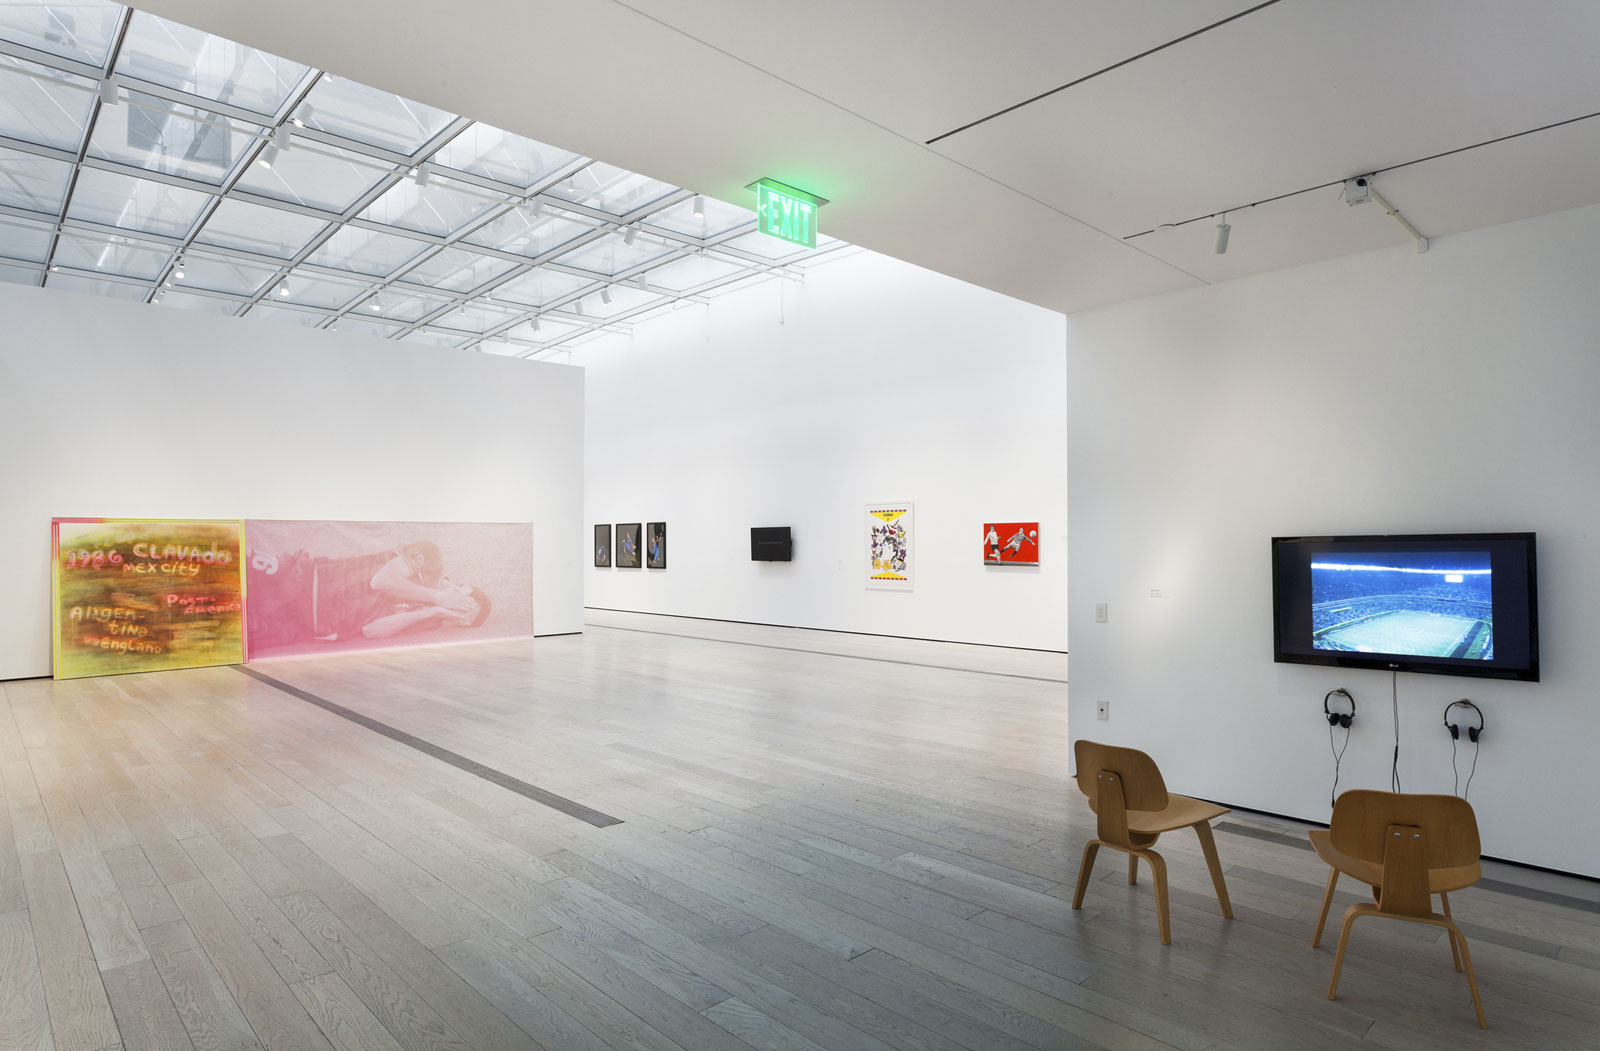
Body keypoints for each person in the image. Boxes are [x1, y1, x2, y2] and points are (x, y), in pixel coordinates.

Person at [247, 540, 489, 649]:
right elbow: (381, 580)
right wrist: (436, 598)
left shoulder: (430, 619)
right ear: (462, 589)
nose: (455, 615)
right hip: (307, 579)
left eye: (461, 620)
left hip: (310, 624)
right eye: (464, 608)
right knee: (232, 570)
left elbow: (371, 631)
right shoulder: (431, 558)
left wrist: (432, 611)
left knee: (235, 635)